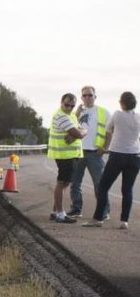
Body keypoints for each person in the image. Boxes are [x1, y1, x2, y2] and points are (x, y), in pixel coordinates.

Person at [83, 91, 140, 229]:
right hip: (135, 156)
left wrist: (105, 146)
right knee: (127, 189)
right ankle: (124, 221)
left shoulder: (117, 114)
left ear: (122, 103)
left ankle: (98, 218)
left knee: (103, 186)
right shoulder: (139, 117)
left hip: (117, 155)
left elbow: (108, 130)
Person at [67, 86, 111, 219]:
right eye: (84, 95)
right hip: (77, 152)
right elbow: (69, 128)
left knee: (99, 184)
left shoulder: (103, 112)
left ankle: (104, 212)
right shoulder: (76, 113)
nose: (87, 98)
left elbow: (109, 132)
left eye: (90, 95)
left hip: (95, 153)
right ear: (81, 98)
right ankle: (76, 209)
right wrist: (77, 114)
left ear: (95, 97)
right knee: (75, 183)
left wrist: (105, 147)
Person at [48, 93, 86, 223]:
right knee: (62, 183)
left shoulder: (71, 116)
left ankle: (55, 212)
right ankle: (60, 214)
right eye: (66, 104)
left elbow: (83, 130)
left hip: (71, 155)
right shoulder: (62, 116)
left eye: (72, 105)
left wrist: (77, 134)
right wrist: (78, 134)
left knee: (64, 183)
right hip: (64, 156)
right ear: (61, 102)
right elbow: (80, 133)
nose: (69, 107)